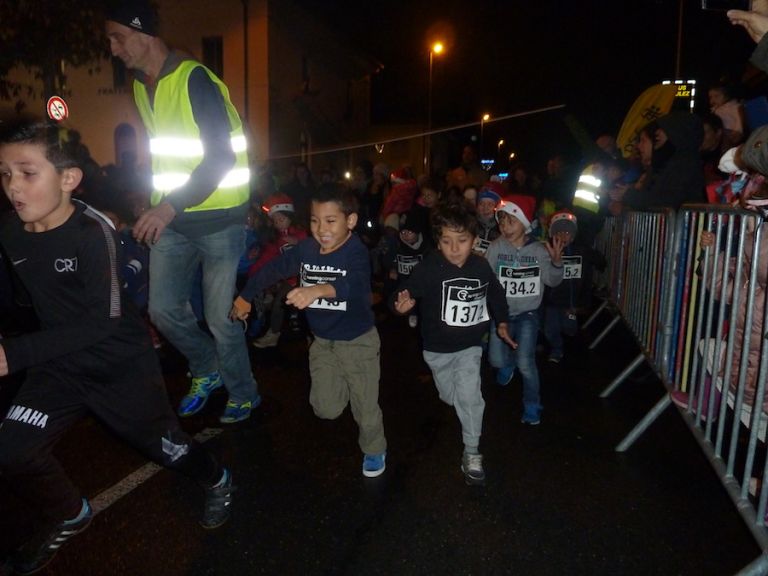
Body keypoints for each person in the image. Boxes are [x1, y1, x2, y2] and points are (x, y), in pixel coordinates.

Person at [0, 120, 233, 575]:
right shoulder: (10, 232)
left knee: (168, 448)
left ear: (68, 179)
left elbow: (102, 322)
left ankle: (218, 479)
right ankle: (70, 513)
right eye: (4, 173)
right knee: (9, 449)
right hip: (59, 367)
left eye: (27, 173)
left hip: (118, 367)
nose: (13, 186)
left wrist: (16, 352)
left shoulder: (93, 232)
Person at [105, 0, 259, 423]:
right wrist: (152, 203)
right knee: (162, 311)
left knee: (219, 316)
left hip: (220, 219)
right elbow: (168, 156)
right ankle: (207, 368)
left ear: (143, 33)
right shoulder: (141, 85)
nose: (114, 49)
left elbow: (221, 158)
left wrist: (167, 207)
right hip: (173, 218)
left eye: (118, 37)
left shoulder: (194, 79)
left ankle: (244, 392)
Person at [230, 185, 388, 478]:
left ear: (350, 221)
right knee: (325, 409)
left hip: (358, 342)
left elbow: (354, 285)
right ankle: (339, 383)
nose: (321, 229)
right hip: (323, 342)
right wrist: (245, 296)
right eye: (315, 220)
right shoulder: (306, 248)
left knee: (364, 406)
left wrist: (318, 290)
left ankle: (374, 448)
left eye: (331, 221)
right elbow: (273, 268)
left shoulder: (355, 252)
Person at [391, 201, 514, 485]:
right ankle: (461, 404)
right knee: (450, 396)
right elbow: (403, 293)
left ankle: (472, 452)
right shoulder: (430, 267)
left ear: (473, 240)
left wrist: (503, 321)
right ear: (438, 242)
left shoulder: (480, 266)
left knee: (470, 396)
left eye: (462, 241)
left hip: (471, 346)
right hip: (436, 350)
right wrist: (401, 305)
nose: (455, 248)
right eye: (447, 241)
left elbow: (495, 294)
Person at [485, 195, 564, 425]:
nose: (505, 227)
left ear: (525, 223)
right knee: (497, 361)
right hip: (501, 314)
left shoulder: (539, 251)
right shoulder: (496, 247)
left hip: (528, 314)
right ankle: (506, 364)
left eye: (512, 221)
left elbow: (551, 280)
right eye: (502, 222)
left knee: (526, 363)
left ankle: (532, 405)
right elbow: (486, 276)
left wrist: (557, 263)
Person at [248, 193, 307, 348]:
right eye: (275, 221)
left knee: (310, 308)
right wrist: (253, 273)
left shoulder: (303, 232)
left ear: (290, 216)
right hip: (291, 280)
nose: (279, 223)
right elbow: (266, 258)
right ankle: (274, 333)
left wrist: (298, 242)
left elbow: (313, 246)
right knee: (278, 305)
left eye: (281, 219)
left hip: (308, 278)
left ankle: (313, 336)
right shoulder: (276, 240)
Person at [474, 182, 502, 255]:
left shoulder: (502, 228)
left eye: (490, 204)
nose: (485, 208)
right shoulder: (471, 225)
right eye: (481, 204)